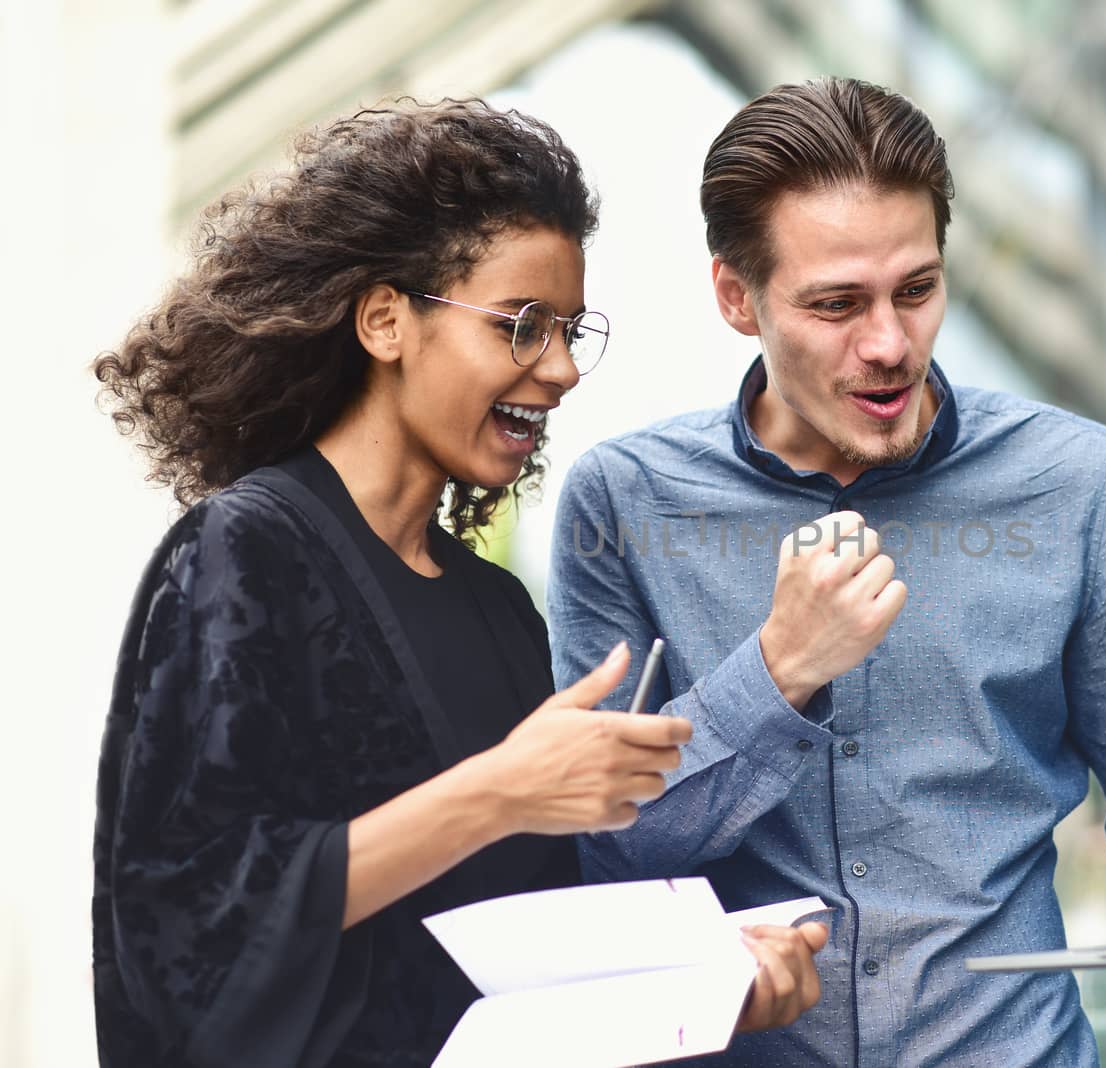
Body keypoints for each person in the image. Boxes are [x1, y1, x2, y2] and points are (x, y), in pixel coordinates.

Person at [547, 78, 1106, 1066]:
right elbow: (611, 848)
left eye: (917, 290)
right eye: (836, 304)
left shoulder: (1076, 481)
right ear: (735, 296)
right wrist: (779, 669)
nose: (888, 344)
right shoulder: (623, 502)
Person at [91, 98, 827, 1068]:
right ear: (387, 321)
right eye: (522, 325)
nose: (561, 369)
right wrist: (501, 792)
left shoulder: (499, 612)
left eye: (570, 330)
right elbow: (185, 925)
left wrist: (711, 974)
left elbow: (521, 948)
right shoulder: (243, 555)